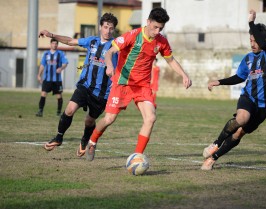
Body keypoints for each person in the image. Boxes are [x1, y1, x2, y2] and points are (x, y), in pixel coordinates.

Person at [85, 7, 192, 161]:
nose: (157, 31)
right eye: (155, 27)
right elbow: (109, 53)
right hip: (122, 84)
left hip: (142, 86)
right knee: (109, 119)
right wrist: (109, 65)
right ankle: (93, 140)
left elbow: (170, 60)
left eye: (160, 28)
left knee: (151, 118)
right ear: (148, 22)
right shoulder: (133, 35)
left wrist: (183, 75)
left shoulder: (161, 41)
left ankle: (136, 156)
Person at [201, 9, 266, 170]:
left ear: (262, 40)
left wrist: (251, 23)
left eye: (255, 40)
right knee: (242, 118)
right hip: (249, 98)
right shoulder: (248, 58)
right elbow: (239, 77)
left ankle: (213, 158)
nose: (252, 43)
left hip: (265, 105)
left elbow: (264, 44)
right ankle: (216, 143)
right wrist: (220, 81)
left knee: (239, 133)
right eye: (250, 40)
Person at [39, 13, 119, 156]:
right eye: (106, 27)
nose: (108, 31)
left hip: (102, 93)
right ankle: (58, 137)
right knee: (69, 109)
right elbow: (70, 41)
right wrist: (51, 34)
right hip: (85, 86)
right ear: (100, 27)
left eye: (111, 28)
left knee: (89, 121)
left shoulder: (117, 46)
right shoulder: (91, 41)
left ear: (114, 30)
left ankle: (84, 140)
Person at [36, 38, 68, 117]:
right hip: (47, 79)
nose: (54, 45)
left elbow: (65, 63)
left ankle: (58, 112)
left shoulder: (60, 54)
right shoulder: (46, 54)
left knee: (59, 96)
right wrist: (39, 75)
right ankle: (40, 111)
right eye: (53, 43)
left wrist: (61, 68)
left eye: (56, 44)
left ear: (57, 45)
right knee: (43, 94)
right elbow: (42, 65)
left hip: (57, 80)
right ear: (50, 44)